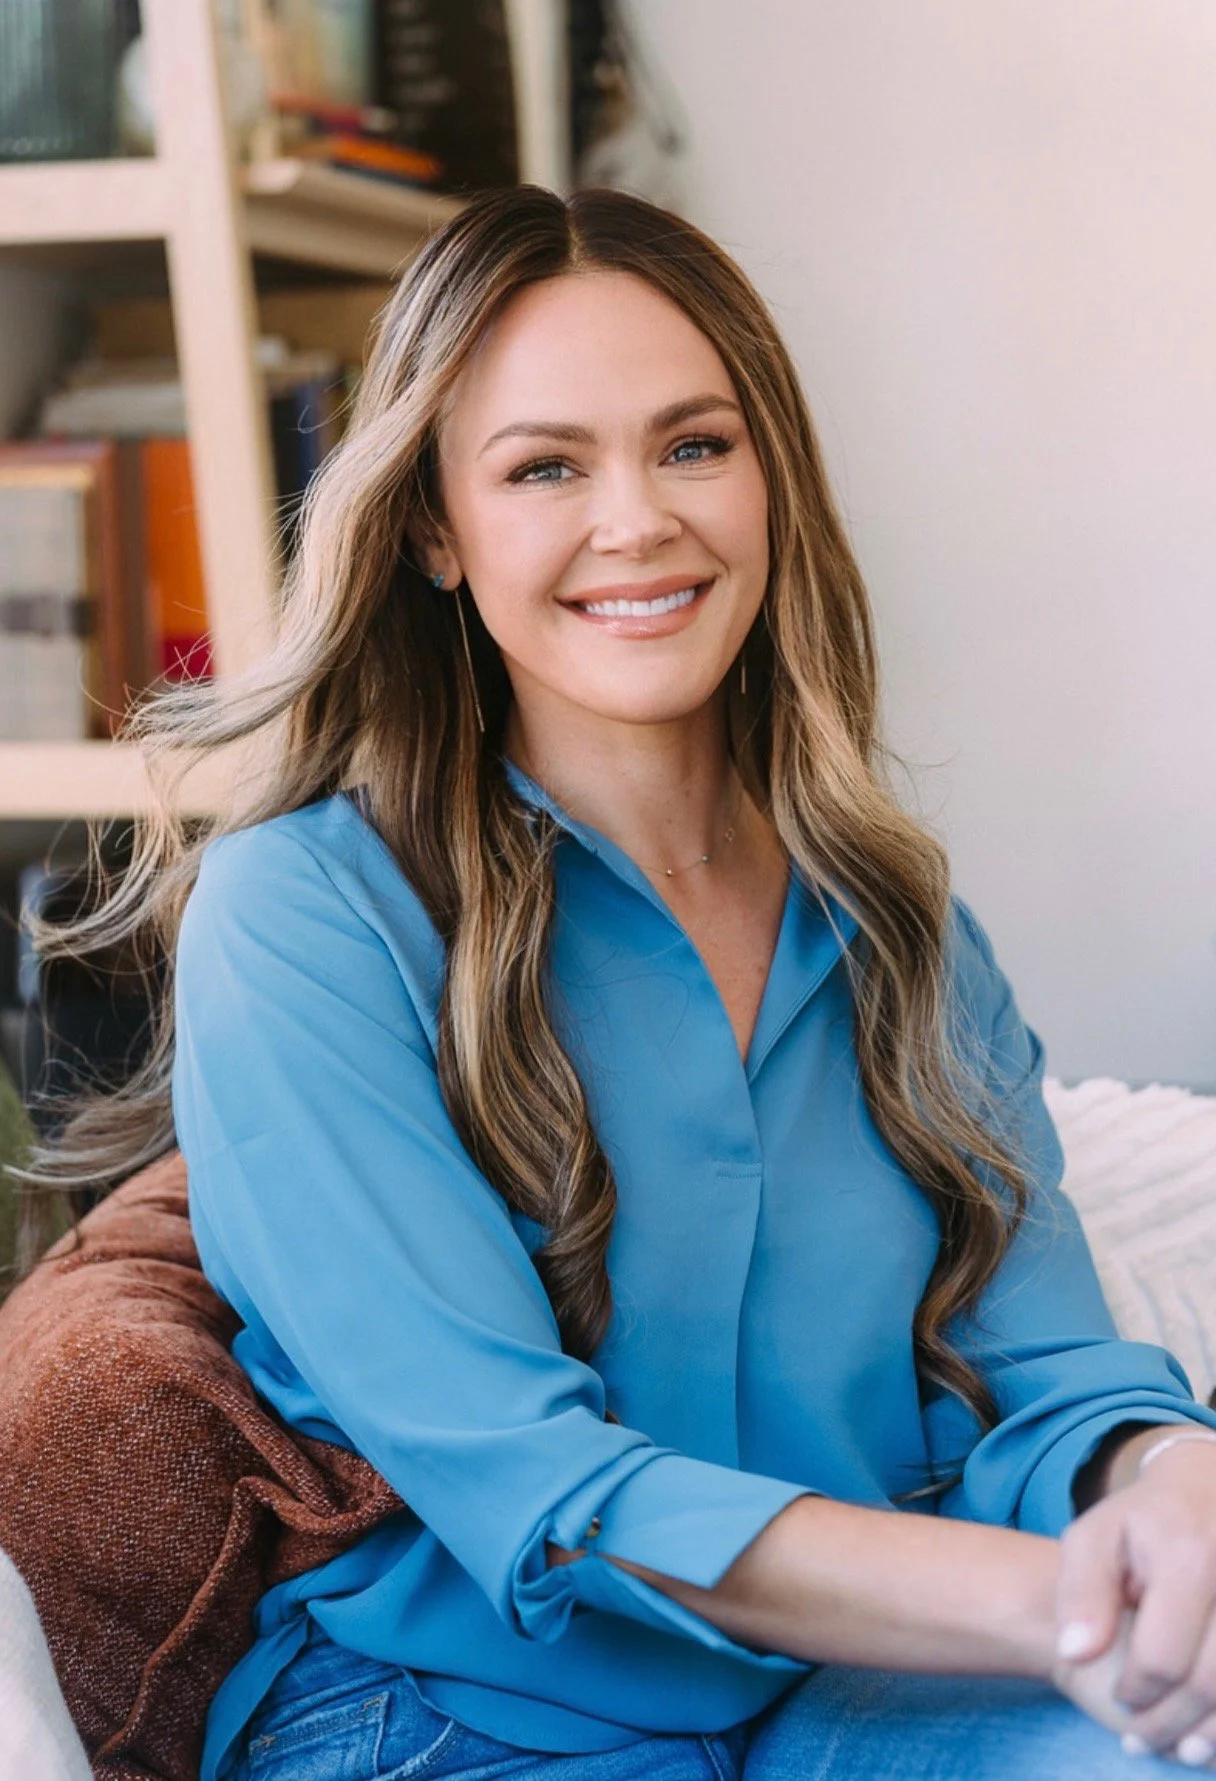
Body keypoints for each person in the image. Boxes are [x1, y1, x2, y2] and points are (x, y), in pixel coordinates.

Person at [20, 186, 1216, 1780]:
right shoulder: (304, 912)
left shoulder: (898, 922)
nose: (638, 520)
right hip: (459, 1717)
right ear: (434, 530)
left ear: (772, 476)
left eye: (696, 444)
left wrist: (1170, 1489)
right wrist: (1062, 1598)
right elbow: (538, 1491)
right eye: (544, 468)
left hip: (859, 1682)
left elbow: (1057, 1374)